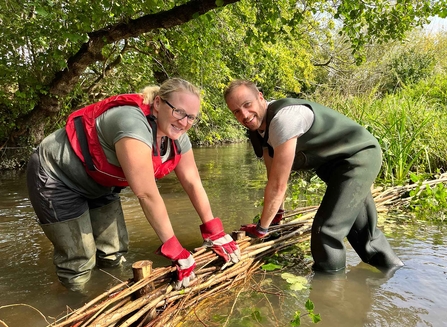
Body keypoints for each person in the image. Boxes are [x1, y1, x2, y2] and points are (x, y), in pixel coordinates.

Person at [26, 78, 240, 291]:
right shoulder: (131, 124)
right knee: (78, 261)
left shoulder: (177, 135)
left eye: (191, 117)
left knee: (113, 250)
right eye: (179, 112)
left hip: (99, 183)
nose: (184, 122)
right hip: (57, 177)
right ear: (158, 103)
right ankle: (72, 302)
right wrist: (176, 251)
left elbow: (193, 183)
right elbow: (146, 194)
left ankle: (109, 291)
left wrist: (214, 231)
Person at [223, 79, 403, 273]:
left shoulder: (283, 120)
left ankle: (328, 293)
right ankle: (395, 273)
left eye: (247, 105)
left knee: (326, 232)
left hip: (358, 158)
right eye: (236, 111)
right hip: (335, 167)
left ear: (260, 97)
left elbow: (278, 186)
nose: (244, 115)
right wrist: (275, 219)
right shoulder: (258, 129)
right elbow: (273, 176)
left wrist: (261, 229)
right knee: (361, 229)